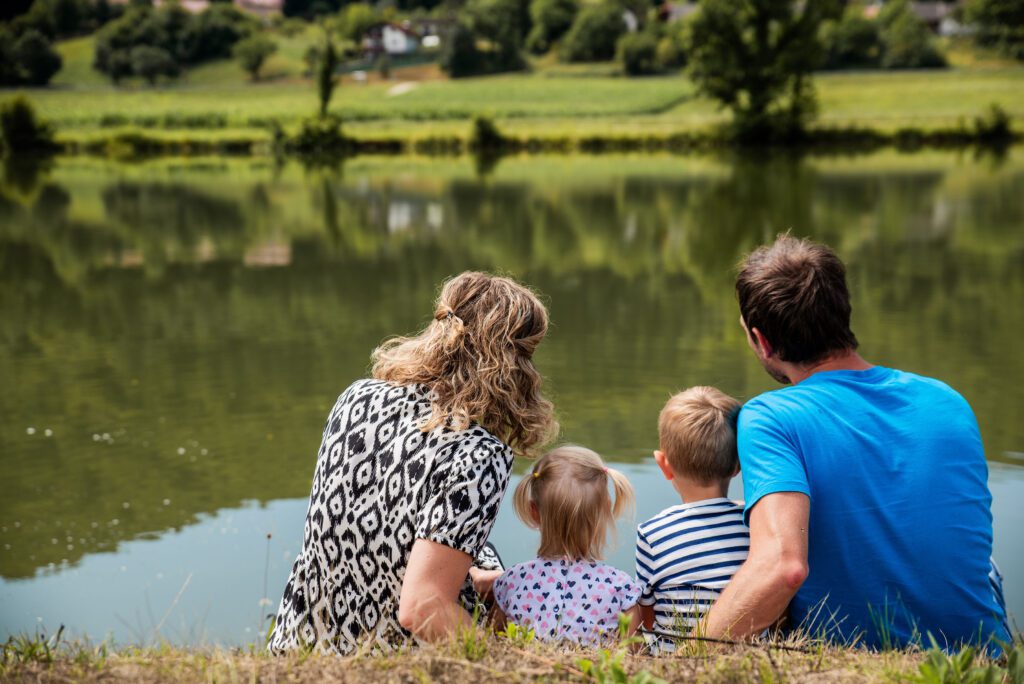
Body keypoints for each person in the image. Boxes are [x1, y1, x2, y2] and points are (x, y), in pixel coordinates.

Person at [704, 235, 1010, 651]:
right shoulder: (947, 400)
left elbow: (783, 567)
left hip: (869, 654)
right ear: (843, 312)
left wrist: (693, 648)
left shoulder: (771, 418)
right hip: (985, 656)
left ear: (763, 341)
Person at [268, 272, 557, 655]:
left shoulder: (355, 396)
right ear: (512, 361)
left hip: (300, 643)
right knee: (487, 558)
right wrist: (507, 664)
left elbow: (374, 530)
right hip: (388, 658)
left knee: (482, 557)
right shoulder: (480, 453)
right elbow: (422, 608)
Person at [490, 445, 643, 645]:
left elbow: (494, 640)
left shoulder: (510, 582)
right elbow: (634, 653)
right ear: (606, 508)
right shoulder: (621, 588)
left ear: (533, 511)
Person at [635, 387, 749, 652]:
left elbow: (648, 615)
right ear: (737, 466)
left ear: (663, 465)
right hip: (748, 654)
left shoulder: (652, 533)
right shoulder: (754, 521)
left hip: (672, 655)